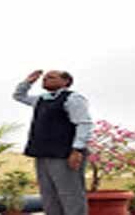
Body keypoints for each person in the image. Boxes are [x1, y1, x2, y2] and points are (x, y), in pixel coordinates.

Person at [13, 70, 93, 215]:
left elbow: (84, 124)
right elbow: (19, 96)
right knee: (49, 195)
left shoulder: (73, 98)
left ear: (65, 81)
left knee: (70, 194)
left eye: (51, 77)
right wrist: (28, 82)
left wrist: (77, 150)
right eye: (44, 78)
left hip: (64, 154)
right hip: (43, 153)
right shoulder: (41, 99)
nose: (45, 80)